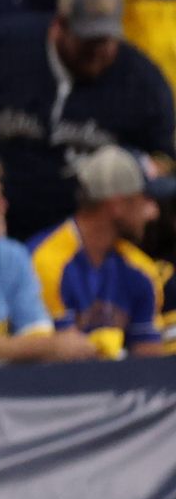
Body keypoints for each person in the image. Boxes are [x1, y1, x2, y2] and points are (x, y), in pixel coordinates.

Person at [0, 0, 175, 243]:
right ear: (59, 26)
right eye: (89, 40)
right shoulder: (2, 48)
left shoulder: (141, 81)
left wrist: (136, 170)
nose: (99, 51)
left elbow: (163, 159)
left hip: (85, 237)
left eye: (107, 40)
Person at [0, 143, 100, 364]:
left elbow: (37, 333)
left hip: (2, 383)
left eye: (0, 195)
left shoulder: (12, 256)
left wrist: (42, 345)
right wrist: (51, 345)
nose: (2, 206)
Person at [27, 145, 168, 358]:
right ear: (116, 205)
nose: (153, 213)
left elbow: (150, 355)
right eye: (145, 199)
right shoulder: (46, 260)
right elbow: (56, 354)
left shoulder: (141, 269)